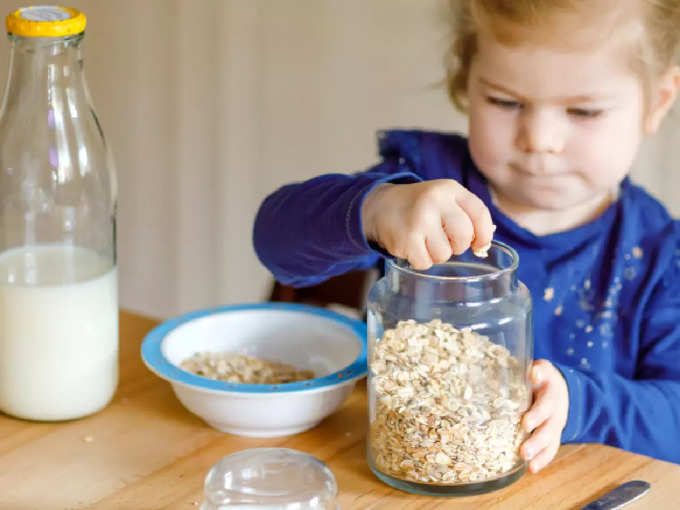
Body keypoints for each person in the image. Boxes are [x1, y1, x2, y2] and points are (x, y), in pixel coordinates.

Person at [253, 0, 680, 473]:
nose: (539, 138)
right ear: (466, 81)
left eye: (583, 111)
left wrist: (581, 404)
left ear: (657, 101)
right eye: (505, 101)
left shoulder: (659, 256)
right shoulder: (422, 185)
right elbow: (274, 244)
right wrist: (373, 209)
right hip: (407, 476)